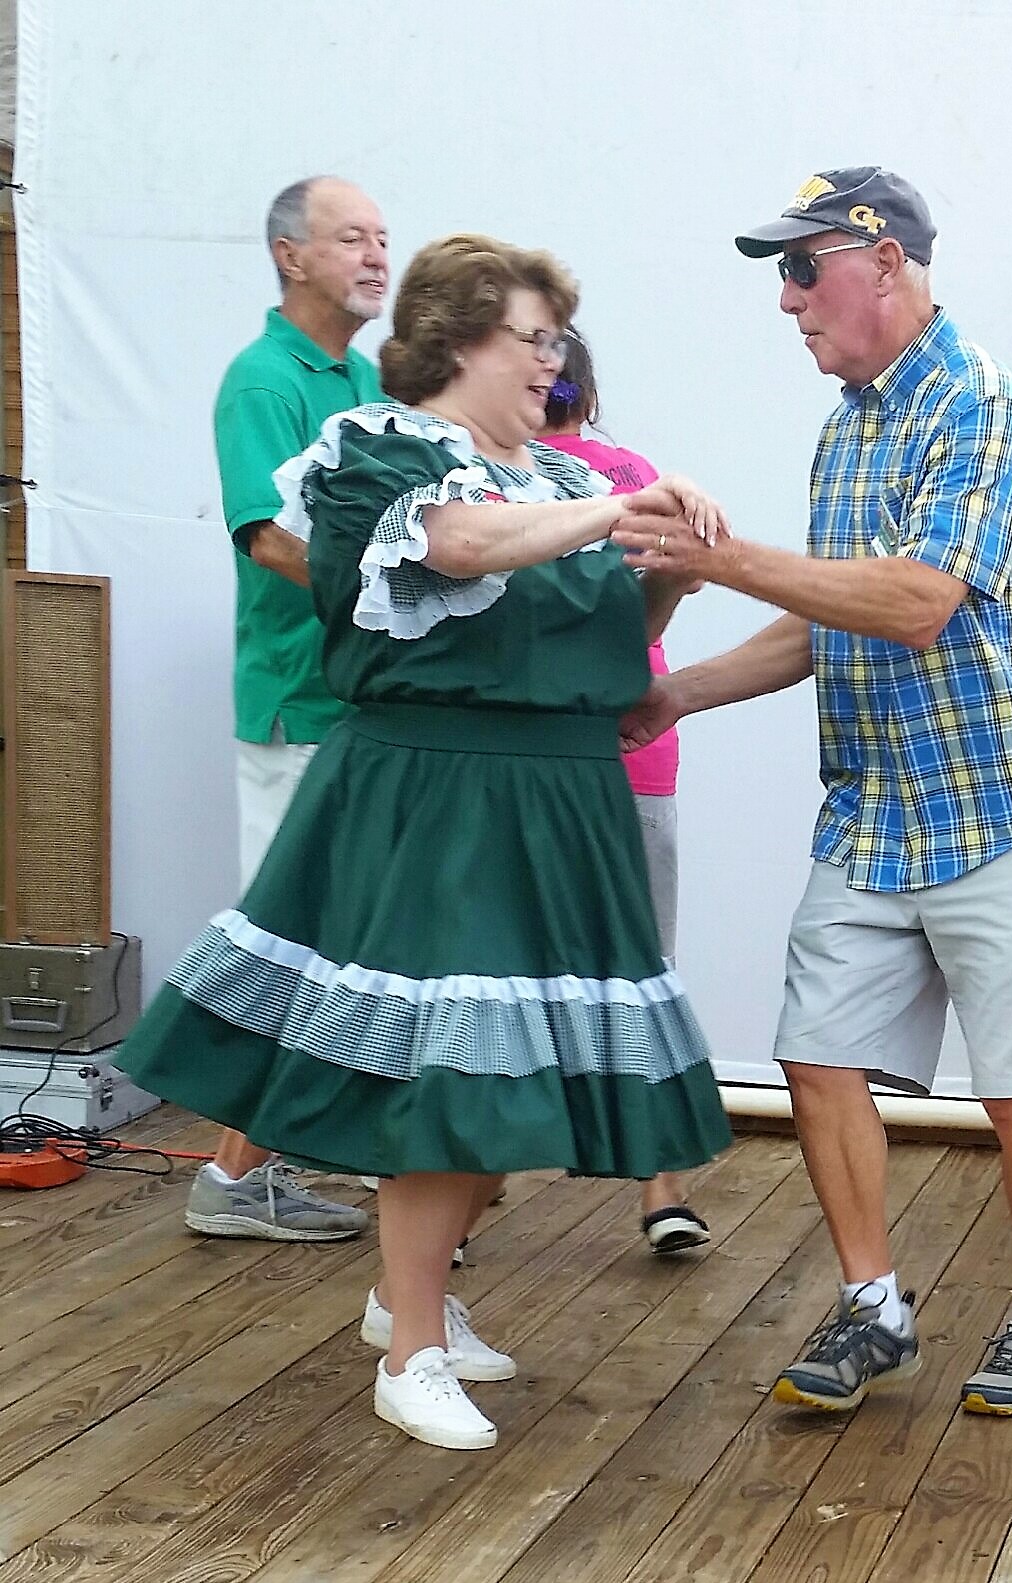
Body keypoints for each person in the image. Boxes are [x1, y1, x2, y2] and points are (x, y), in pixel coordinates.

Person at [119, 234, 735, 1452]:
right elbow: (454, 546)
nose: (552, 366)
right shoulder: (381, 449)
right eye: (535, 340)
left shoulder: (558, 475)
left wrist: (670, 565)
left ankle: (414, 1308)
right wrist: (617, 508)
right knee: (442, 1069)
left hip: (557, 788)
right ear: (458, 339)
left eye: (559, 343)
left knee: (490, 1068)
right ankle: (408, 1346)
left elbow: (613, 635)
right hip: (438, 784)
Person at [616, 167, 1012, 1421]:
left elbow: (914, 602)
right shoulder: (845, 428)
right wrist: (678, 693)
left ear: (881, 259)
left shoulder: (985, 405)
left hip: (1008, 798)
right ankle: (872, 1302)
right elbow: (826, 622)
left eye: (801, 270)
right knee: (814, 1052)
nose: (784, 301)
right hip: (879, 805)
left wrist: (716, 558)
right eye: (777, 276)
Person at [188, 176, 390, 1246]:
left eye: (382, 238)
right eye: (350, 237)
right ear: (289, 255)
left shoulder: (365, 377)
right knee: (293, 941)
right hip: (297, 705)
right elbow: (266, 533)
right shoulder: (263, 379)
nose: (374, 254)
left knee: (335, 935)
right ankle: (229, 1176)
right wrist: (396, 590)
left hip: (355, 703)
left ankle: (265, 1157)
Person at [537, 328, 712, 1255]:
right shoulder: (620, 474)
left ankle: (464, 1203)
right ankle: (662, 1192)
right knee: (623, 972)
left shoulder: (601, 474)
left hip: (581, 753)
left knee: (521, 977)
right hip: (589, 753)